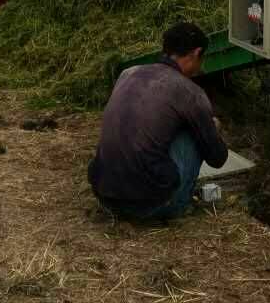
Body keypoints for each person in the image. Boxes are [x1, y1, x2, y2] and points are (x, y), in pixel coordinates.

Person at [88, 21, 228, 220]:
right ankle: (178, 202)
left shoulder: (128, 74)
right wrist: (213, 129)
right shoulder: (190, 93)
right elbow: (217, 158)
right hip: (152, 206)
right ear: (196, 53)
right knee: (195, 133)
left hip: (105, 196)